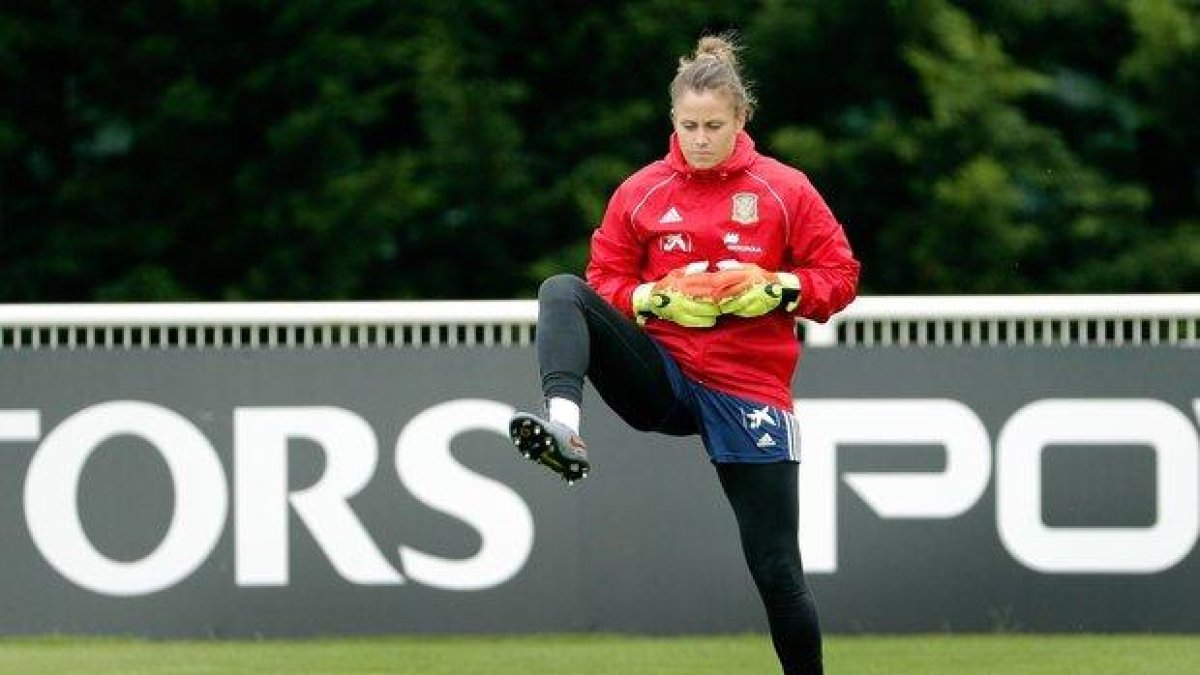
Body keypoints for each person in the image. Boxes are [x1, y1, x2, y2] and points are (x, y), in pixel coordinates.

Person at [508, 33, 859, 675]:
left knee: (777, 569)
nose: (699, 138)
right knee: (561, 290)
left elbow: (839, 276)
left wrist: (778, 290)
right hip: (665, 379)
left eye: (713, 126)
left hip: (747, 390)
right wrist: (653, 301)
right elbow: (604, 279)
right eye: (688, 125)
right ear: (673, 119)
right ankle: (565, 427)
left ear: (741, 119)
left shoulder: (785, 189)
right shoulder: (641, 192)